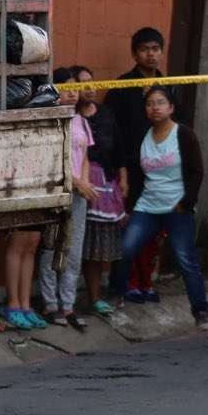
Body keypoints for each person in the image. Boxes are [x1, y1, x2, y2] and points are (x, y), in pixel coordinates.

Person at [116, 86, 208, 329]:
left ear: (171, 107)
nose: (155, 107)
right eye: (150, 104)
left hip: (177, 207)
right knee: (125, 248)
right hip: (147, 206)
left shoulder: (184, 134)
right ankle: (116, 298)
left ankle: (201, 311)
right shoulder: (143, 136)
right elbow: (137, 176)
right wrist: (129, 208)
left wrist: (186, 203)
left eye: (160, 102)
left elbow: (197, 172)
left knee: (186, 259)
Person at [110, 27, 182, 302]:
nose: (150, 54)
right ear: (134, 53)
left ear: (162, 52)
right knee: (131, 226)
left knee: (156, 229)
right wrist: (120, 171)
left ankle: (145, 281)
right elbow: (114, 131)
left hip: (161, 170)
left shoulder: (169, 87)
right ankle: (125, 282)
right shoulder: (123, 86)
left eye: (155, 49)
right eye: (144, 49)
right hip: (131, 170)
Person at [38, 65, 100, 330]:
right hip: (57, 193)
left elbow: (84, 157)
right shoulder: (52, 121)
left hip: (78, 194)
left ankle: (68, 305)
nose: (73, 93)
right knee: (52, 248)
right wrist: (77, 183)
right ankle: (50, 304)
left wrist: (83, 181)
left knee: (73, 251)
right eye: (67, 88)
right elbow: (52, 161)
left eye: (76, 88)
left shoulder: (81, 121)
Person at [81, 79, 126, 316]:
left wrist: (123, 179)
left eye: (92, 82)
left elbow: (119, 149)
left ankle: (95, 297)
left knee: (98, 247)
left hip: (105, 190)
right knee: (78, 245)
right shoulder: (72, 117)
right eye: (81, 84)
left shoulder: (107, 114)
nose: (88, 88)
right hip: (80, 186)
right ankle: (61, 302)